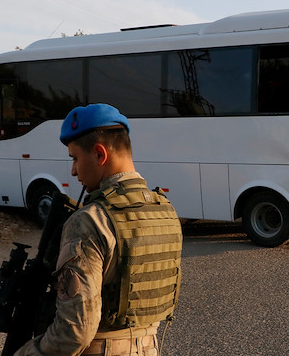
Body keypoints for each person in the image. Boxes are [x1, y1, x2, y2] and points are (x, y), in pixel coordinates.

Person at [15, 103, 183, 356]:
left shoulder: (90, 220)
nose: (73, 171)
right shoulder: (165, 210)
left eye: (75, 158)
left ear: (99, 154)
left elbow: (74, 332)